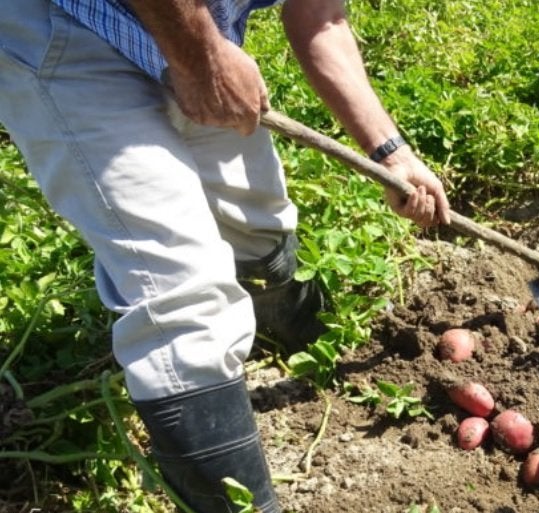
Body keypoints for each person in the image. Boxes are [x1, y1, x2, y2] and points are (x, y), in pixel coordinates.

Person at [0, 0, 451, 511]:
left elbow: (320, 16)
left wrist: (392, 154)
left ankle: (305, 336)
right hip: (69, 24)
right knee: (181, 295)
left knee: (256, 225)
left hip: (195, 26)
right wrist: (204, 60)